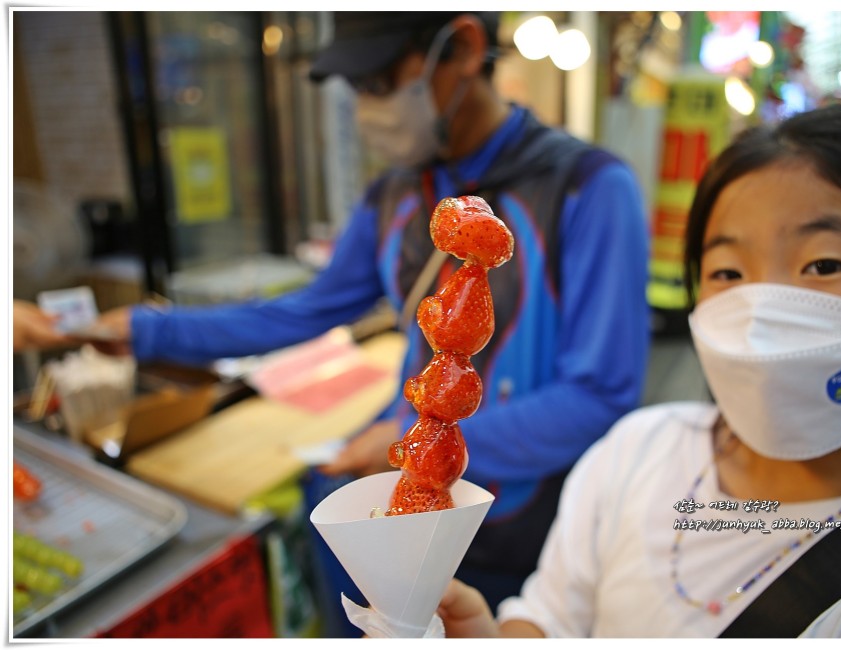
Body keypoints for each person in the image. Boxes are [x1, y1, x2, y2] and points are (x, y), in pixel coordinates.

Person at [92, 11, 650, 625]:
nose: (367, 108)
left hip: (514, 530)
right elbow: (306, 311)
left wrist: (412, 448)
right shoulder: (394, 197)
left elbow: (600, 397)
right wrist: (144, 330)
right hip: (401, 508)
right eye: (357, 90)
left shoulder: (589, 188)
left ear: (462, 47)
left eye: (380, 82)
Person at [434, 104, 841, 638]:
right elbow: (552, 618)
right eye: (727, 271)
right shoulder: (638, 453)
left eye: (824, 264)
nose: (759, 309)